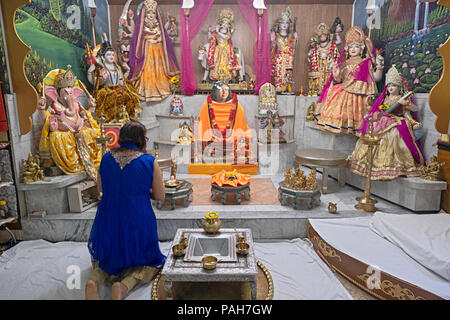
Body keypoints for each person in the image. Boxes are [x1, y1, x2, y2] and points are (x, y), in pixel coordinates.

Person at [85, 120, 166, 300]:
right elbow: (160, 196)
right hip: (138, 220)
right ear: (141, 140)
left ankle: (94, 281)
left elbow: (100, 188)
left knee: (107, 260)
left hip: (109, 220)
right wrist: (143, 192)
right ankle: (123, 286)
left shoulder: (106, 158)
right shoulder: (149, 162)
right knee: (150, 262)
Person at [348, 65, 425, 180]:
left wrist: (406, 104)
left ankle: (392, 164)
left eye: (393, 85)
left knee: (394, 134)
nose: (390, 88)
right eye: (389, 85)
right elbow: (383, 108)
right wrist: (371, 104)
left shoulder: (403, 98)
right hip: (384, 118)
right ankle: (370, 161)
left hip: (397, 119)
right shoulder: (386, 98)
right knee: (372, 122)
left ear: (400, 87)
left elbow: (413, 110)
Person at [315, 26, 384, 135]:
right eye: (350, 46)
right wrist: (336, 74)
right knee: (336, 91)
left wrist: (380, 67)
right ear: (347, 49)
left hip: (361, 96)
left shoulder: (366, 62)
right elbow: (340, 79)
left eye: (356, 46)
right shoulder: (344, 63)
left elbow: (375, 78)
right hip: (345, 91)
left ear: (361, 49)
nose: (353, 49)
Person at [128, 0, 180, 102]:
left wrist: (157, 39)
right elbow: (139, 39)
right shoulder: (143, 25)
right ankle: (148, 89)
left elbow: (163, 37)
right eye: (149, 13)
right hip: (147, 50)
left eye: (153, 13)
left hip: (158, 49)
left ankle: (162, 87)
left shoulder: (158, 24)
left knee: (161, 69)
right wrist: (148, 40)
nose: (151, 15)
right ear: (145, 14)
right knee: (148, 69)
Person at [196, 81, 254, 164]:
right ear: (215, 91)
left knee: (246, 135)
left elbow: (241, 126)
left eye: (226, 89)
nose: (224, 92)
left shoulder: (237, 106)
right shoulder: (207, 106)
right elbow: (203, 126)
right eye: (221, 89)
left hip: (232, 137)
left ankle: (235, 154)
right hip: (213, 137)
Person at [87, 37, 142, 123]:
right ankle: (115, 120)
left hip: (118, 88)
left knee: (129, 96)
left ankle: (127, 118)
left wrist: (128, 81)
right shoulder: (101, 68)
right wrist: (100, 73)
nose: (111, 56)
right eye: (108, 54)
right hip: (107, 91)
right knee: (116, 98)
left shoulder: (117, 67)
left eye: (113, 54)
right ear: (103, 57)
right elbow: (97, 82)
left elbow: (121, 81)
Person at [307, 21, 342, 96]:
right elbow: (310, 55)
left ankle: (327, 91)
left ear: (327, 35)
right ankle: (316, 90)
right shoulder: (316, 46)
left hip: (328, 66)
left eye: (324, 34)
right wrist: (312, 53)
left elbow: (336, 56)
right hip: (318, 66)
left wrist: (329, 57)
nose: (322, 36)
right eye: (320, 35)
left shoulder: (331, 45)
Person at [207, 9, 241, 83]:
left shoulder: (226, 32)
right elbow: (210, 38)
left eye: (227, 24)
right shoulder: (217, 31)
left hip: (225, 48)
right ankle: (216, 77)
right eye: (223, 23)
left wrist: (217, 31)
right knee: (217, 61)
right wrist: (210, 31)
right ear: (220, 24)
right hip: (218, 48)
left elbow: (225, 37)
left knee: (226, 61)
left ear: (229, 25)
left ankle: (227, 78)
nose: (225, 25)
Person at [270, 7, 297, 92]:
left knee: (287, 76)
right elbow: (272, 49)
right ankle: (278, 88)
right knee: (278, 75)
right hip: (278, 60)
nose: (284, 25)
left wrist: (296, 39)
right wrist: (272, 41)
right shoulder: (276, 36)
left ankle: (286, 89)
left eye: (286, 23)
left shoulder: (291, 37)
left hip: (288, 61)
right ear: (279, 25)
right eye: (282, 23)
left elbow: (293, 48)